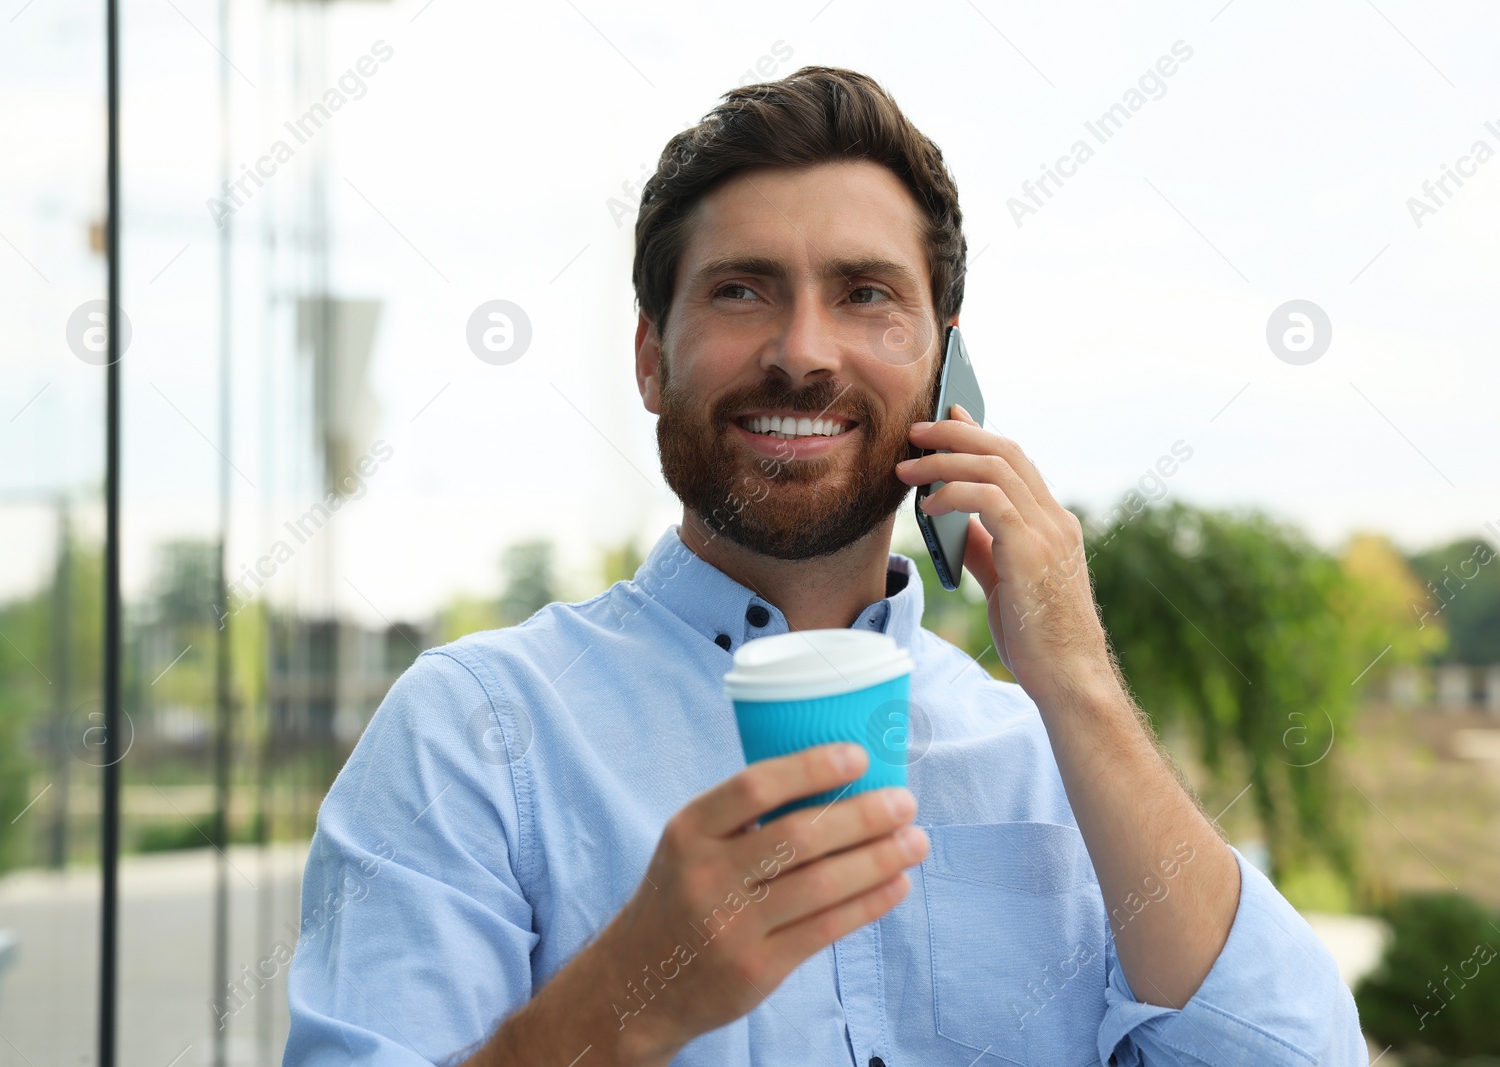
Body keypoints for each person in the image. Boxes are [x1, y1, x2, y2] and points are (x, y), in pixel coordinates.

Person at [283, 66, 1365, 1066]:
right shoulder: (470, 732)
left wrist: (1077, 675)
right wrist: (628, 999)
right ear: (650, 357)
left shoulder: (1051, 754)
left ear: (945, 362)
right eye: (742, 290)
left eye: (864, 294)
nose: (802, 352)